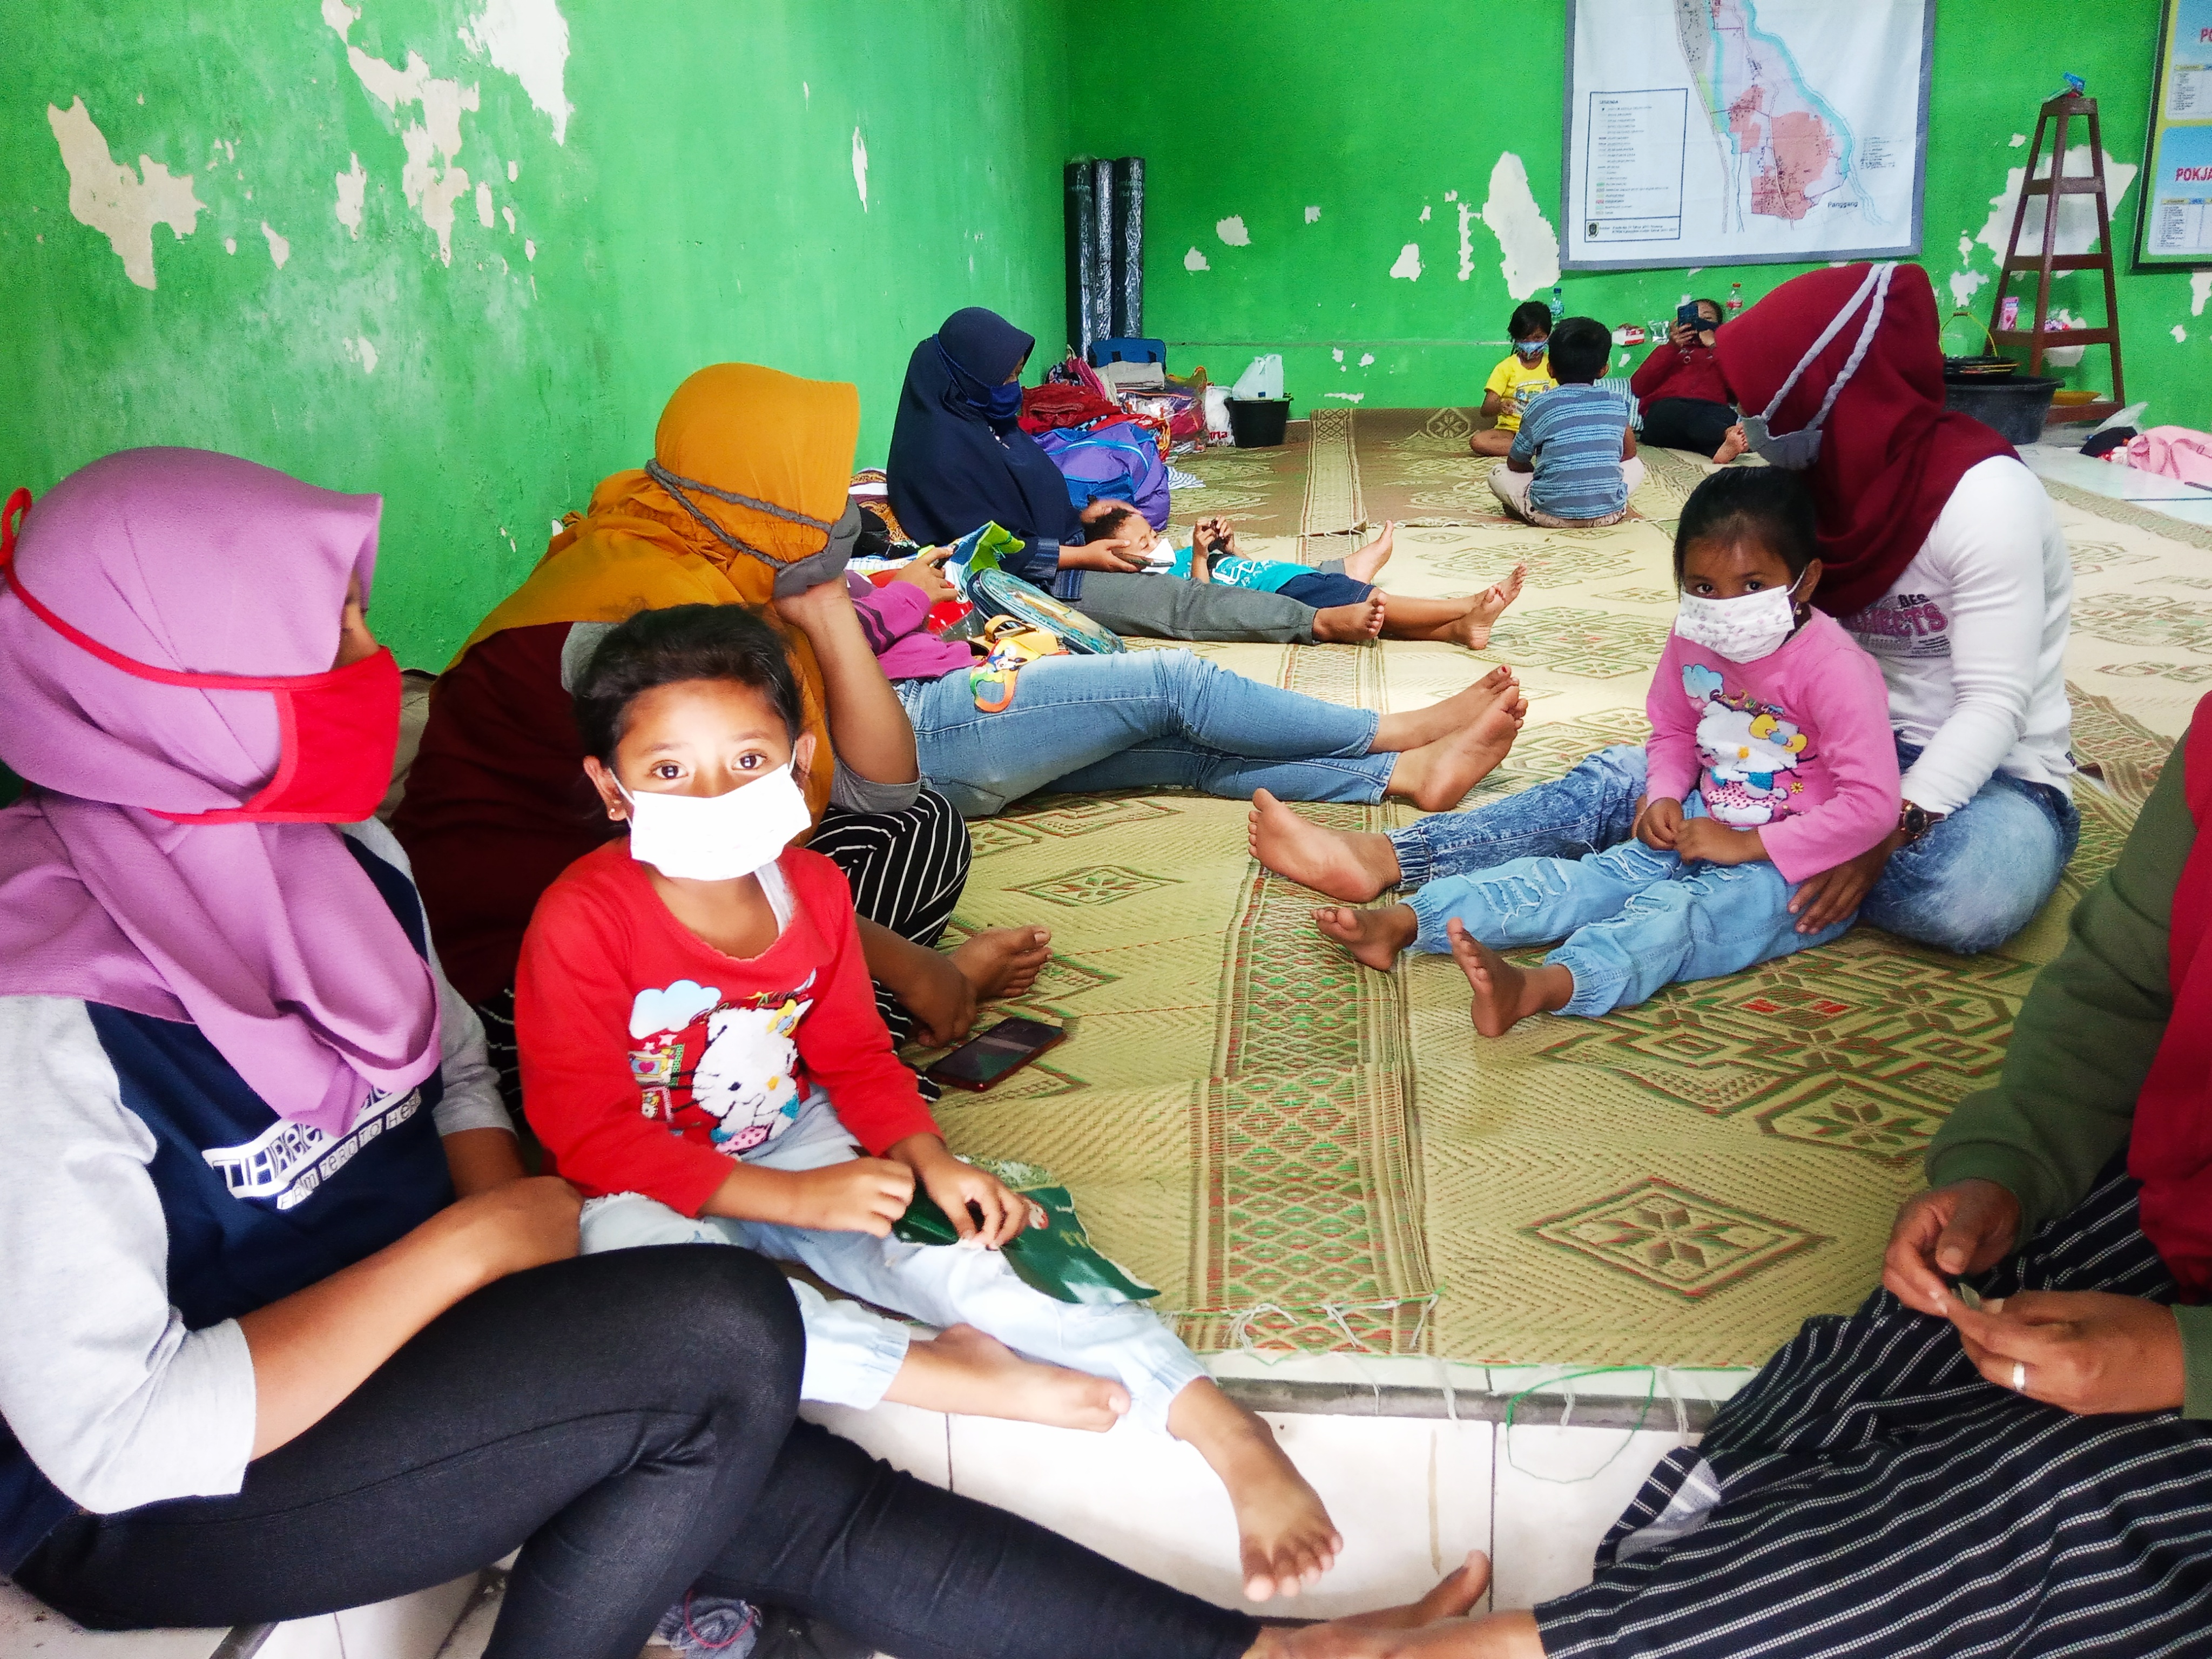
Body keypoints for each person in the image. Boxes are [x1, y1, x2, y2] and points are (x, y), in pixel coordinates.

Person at [0, 443, 1528, 1659]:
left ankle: (1277, 1654)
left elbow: (460, 1072)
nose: (374, 654)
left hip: (403, 1328)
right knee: (717, 1331)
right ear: (168, 688)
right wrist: (481, 1247)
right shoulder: (40, 1005)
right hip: (169, 1492)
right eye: (324, 633)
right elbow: (115, 1441)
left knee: (778, 1473)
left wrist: (502, 1248)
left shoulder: (338, 857)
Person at [1270, 706, 2212, 1659]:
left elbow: (1980, 712)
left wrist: (2184, 1359)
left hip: (1921, 805)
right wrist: (2005, 1168)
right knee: (1879, 1359)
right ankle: (1662, 1609)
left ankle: (1530, 1646)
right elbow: (2118, 990)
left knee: (2064, 1498)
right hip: (1810, 796)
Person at [517, 603, 1342, 1598]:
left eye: (747, 761)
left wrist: (928, 1158)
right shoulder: (580, 919)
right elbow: (586, 1136)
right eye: (668, 771)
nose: (715, 794)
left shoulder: (813, 891)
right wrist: (792, 1201)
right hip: (638, 1181)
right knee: (671, 1310)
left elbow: (856, 1056)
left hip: (789, 1133)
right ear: (611, 789)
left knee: (977, 1239)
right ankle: (940, 1374)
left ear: (800, 760)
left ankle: (1214, 1419)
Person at [1253, 264, 2078, 961]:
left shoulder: (1984, 501)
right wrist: (1706, 782)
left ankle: (1746, 868)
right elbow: (1740, 672)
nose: (1750, 427)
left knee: (1970, 892)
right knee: (1635, 780)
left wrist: (1877, 833)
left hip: (1985, 781)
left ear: (1831, 396)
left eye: (1768, 405)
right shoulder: (1805, 496)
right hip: (1808, 749)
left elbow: (1995, 705)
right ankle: (1391, 857)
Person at [392, 365, 1052, 1104]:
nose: (841, 513)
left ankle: (798, 1049)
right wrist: (916, 967)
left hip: (656, 899)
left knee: (920, 827)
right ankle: (813, 1058)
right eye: (820, 488)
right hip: (513, 982)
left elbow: (885, 791)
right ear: (765, 495)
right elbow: (708, 865)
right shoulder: (642, 622)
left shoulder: (722, 559)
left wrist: (828, 606)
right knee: (756, 1004)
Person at [1312, 469, 1897, 1036]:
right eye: (1703, 587)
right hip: (1698, 821)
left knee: (1678, 917)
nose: (1725, 605)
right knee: (1588, 880)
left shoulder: (1838, 670)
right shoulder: (1695, 634)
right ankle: (1408, 921)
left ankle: (1544, 987)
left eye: (1752, 585)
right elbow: (1674, 729)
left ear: (1806, 580)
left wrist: (1748, 844)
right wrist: (1664, 794)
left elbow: (1873, 806)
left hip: (1792, 872)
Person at [887, 306, 1384, 646]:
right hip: (1029, 584)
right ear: (968, 377)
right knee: (1181, 601)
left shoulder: (984, 422)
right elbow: (981, 550)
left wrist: (1088, 516)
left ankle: (1333, 578)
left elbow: (1028, 499)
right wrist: (1081, 555)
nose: (1016, 388)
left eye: (1018, 373)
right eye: (1008, 377)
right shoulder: (938, 456)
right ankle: (1319, 621)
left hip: (1066, 550)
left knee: (1196, 560)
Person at [1079, 501, 1528, 652]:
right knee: (1371, 602)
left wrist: (1229, 548)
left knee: (1377, 617)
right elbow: (1202, 601)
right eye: (1144, 543)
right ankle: (1464, 607)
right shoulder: (1154, 584)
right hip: (1284, 594)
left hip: (1282, 577)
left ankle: (1456, 631)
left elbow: (1244, 568)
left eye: (1154, 533)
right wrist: (1199, 555)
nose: (1155, 543)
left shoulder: (1174, 554)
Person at [1487, 318, 1645, 530]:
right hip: (1609, 513)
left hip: (1548, 515)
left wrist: (1544, 475)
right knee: (1637, 465)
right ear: (1604, 370)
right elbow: (1629, 453)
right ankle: (1607, 501)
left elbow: (1515, 463)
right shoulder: (1616, 402)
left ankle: (1529, 506)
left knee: (1497, 473)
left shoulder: (1540, 404)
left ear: (1550, 369)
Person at [1628, 298, 1748, 463]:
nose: (1700, 323)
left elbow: (1739, 391)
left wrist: (1714, 346)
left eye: (1707, 318)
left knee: (1719, 416)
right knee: (1684, 413)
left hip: (1711, 410)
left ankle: (1723, 450)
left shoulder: (1722, 353)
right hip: (1666, 413)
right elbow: (1638, 387)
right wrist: (1671, 347)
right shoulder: (1670, 350)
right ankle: (1727, 434)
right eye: (1694, 318)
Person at [1468, 300, 1556, 458]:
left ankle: (1527, 449)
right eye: (1524, 339)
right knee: (1478, 442)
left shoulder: (1555, 365)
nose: (1531, 344)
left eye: (1538, 338)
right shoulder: (1505, 368)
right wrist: (1500, 405)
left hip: (1544, 429)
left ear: (1548, 336)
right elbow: (1486, 410)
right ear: (1514, 338)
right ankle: (1534, 449)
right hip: (1510, 431)